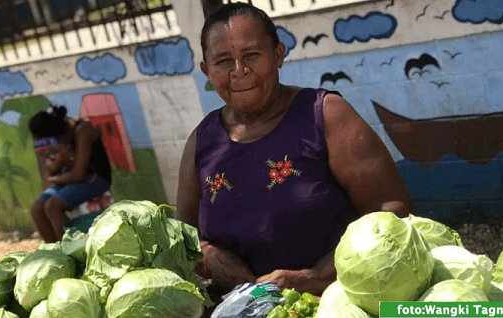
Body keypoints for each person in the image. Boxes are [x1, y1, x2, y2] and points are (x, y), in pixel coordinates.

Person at [174, 1, 416, 306]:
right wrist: (207, 256)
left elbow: (394, 211)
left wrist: (311, 277)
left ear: (278, 54)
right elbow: (182, 235)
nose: (239, 71)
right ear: (207, 70)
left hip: (335, 303)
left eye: (251, 55)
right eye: (223, 61)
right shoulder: (202, 141)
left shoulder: (324, 115)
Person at [29, 105, 112, 243]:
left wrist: (54, 178)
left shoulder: (82, 130)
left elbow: (79, 174)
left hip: (95, 178)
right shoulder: (54, 137)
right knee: (37, 208)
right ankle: (55, 251)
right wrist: (61, 163)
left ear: (55, 133)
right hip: (68, 179)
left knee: (53, 206)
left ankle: (71, 251)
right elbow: (50, 170)